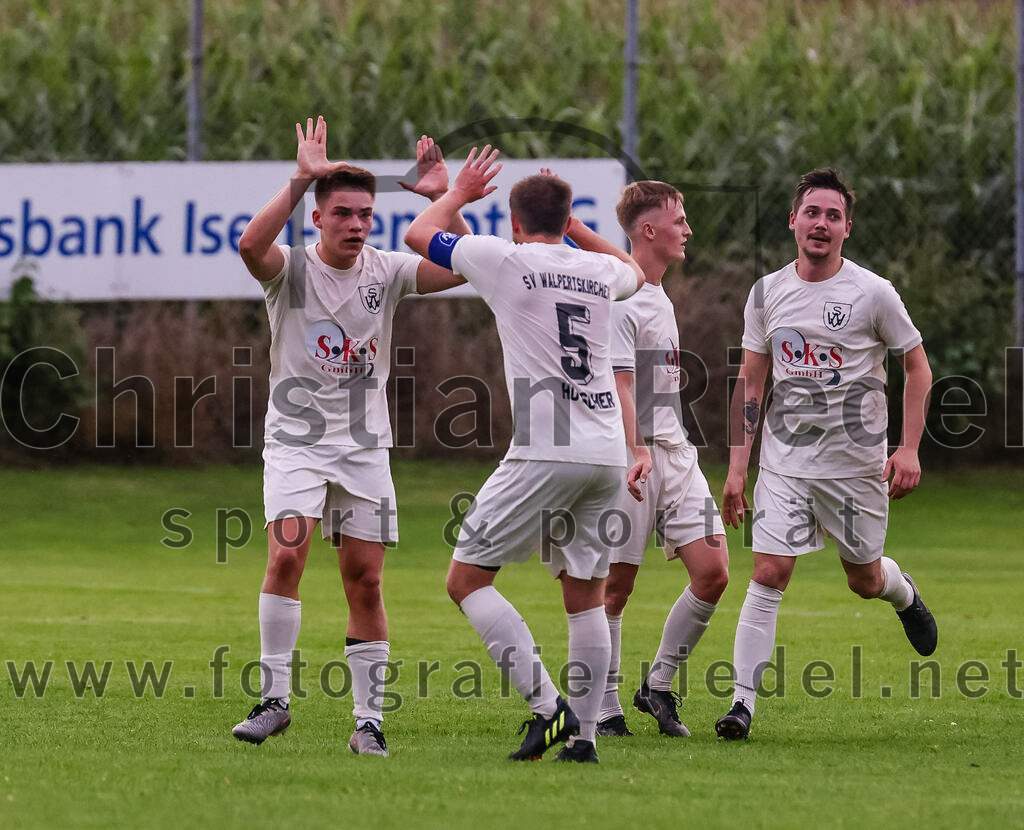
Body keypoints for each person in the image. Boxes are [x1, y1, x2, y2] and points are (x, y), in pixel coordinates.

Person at [231, 116, 470, 756]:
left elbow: (463, 270)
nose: (357, 224)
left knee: (364, 580)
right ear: (317, 218)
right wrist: (298, 178)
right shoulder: (291, 270)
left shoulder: (387, 270)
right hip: (297, 443)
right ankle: (274, 701)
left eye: (365, 213)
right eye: (343, 213)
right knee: (287, 555)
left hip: (364, 448)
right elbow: (251, 248)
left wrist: (442, 202)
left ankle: (369, 723)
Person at [405, 149, 645, 763]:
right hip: (605, 453)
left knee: (466, 579)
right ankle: (585, 741)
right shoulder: (594, 272)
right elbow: (634, 271)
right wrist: (577, 232)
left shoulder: (505, 259)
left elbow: (419, 235)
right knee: (585, 593)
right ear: (567, 221)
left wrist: (452, 191)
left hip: (545, 451)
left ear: (514, 223)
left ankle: (548, 708)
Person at [715, 168, 937, 740]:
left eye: (832, 216)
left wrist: (909, 448)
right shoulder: (766, 292)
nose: (821, 224)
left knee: (862, 580)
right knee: (769, 572)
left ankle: (902, 590)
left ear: (847, 229)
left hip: (857, 467)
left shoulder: (873, 293)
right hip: (786, 462)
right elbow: (752, 381)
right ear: (793, 221)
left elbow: (917, 366)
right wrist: (739, 466)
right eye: (811, 212)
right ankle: (742, 705)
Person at [580, 180, 729, 739]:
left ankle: (657, 686)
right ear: (649, 230)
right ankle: (607, 706)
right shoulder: (620, 300)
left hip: (675, 453)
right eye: (679, 220)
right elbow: (619, 385)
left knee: (713, 573)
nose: (687, 229)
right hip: (628, 457)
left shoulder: (656, 291)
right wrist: (637, 448)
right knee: (614, 588)